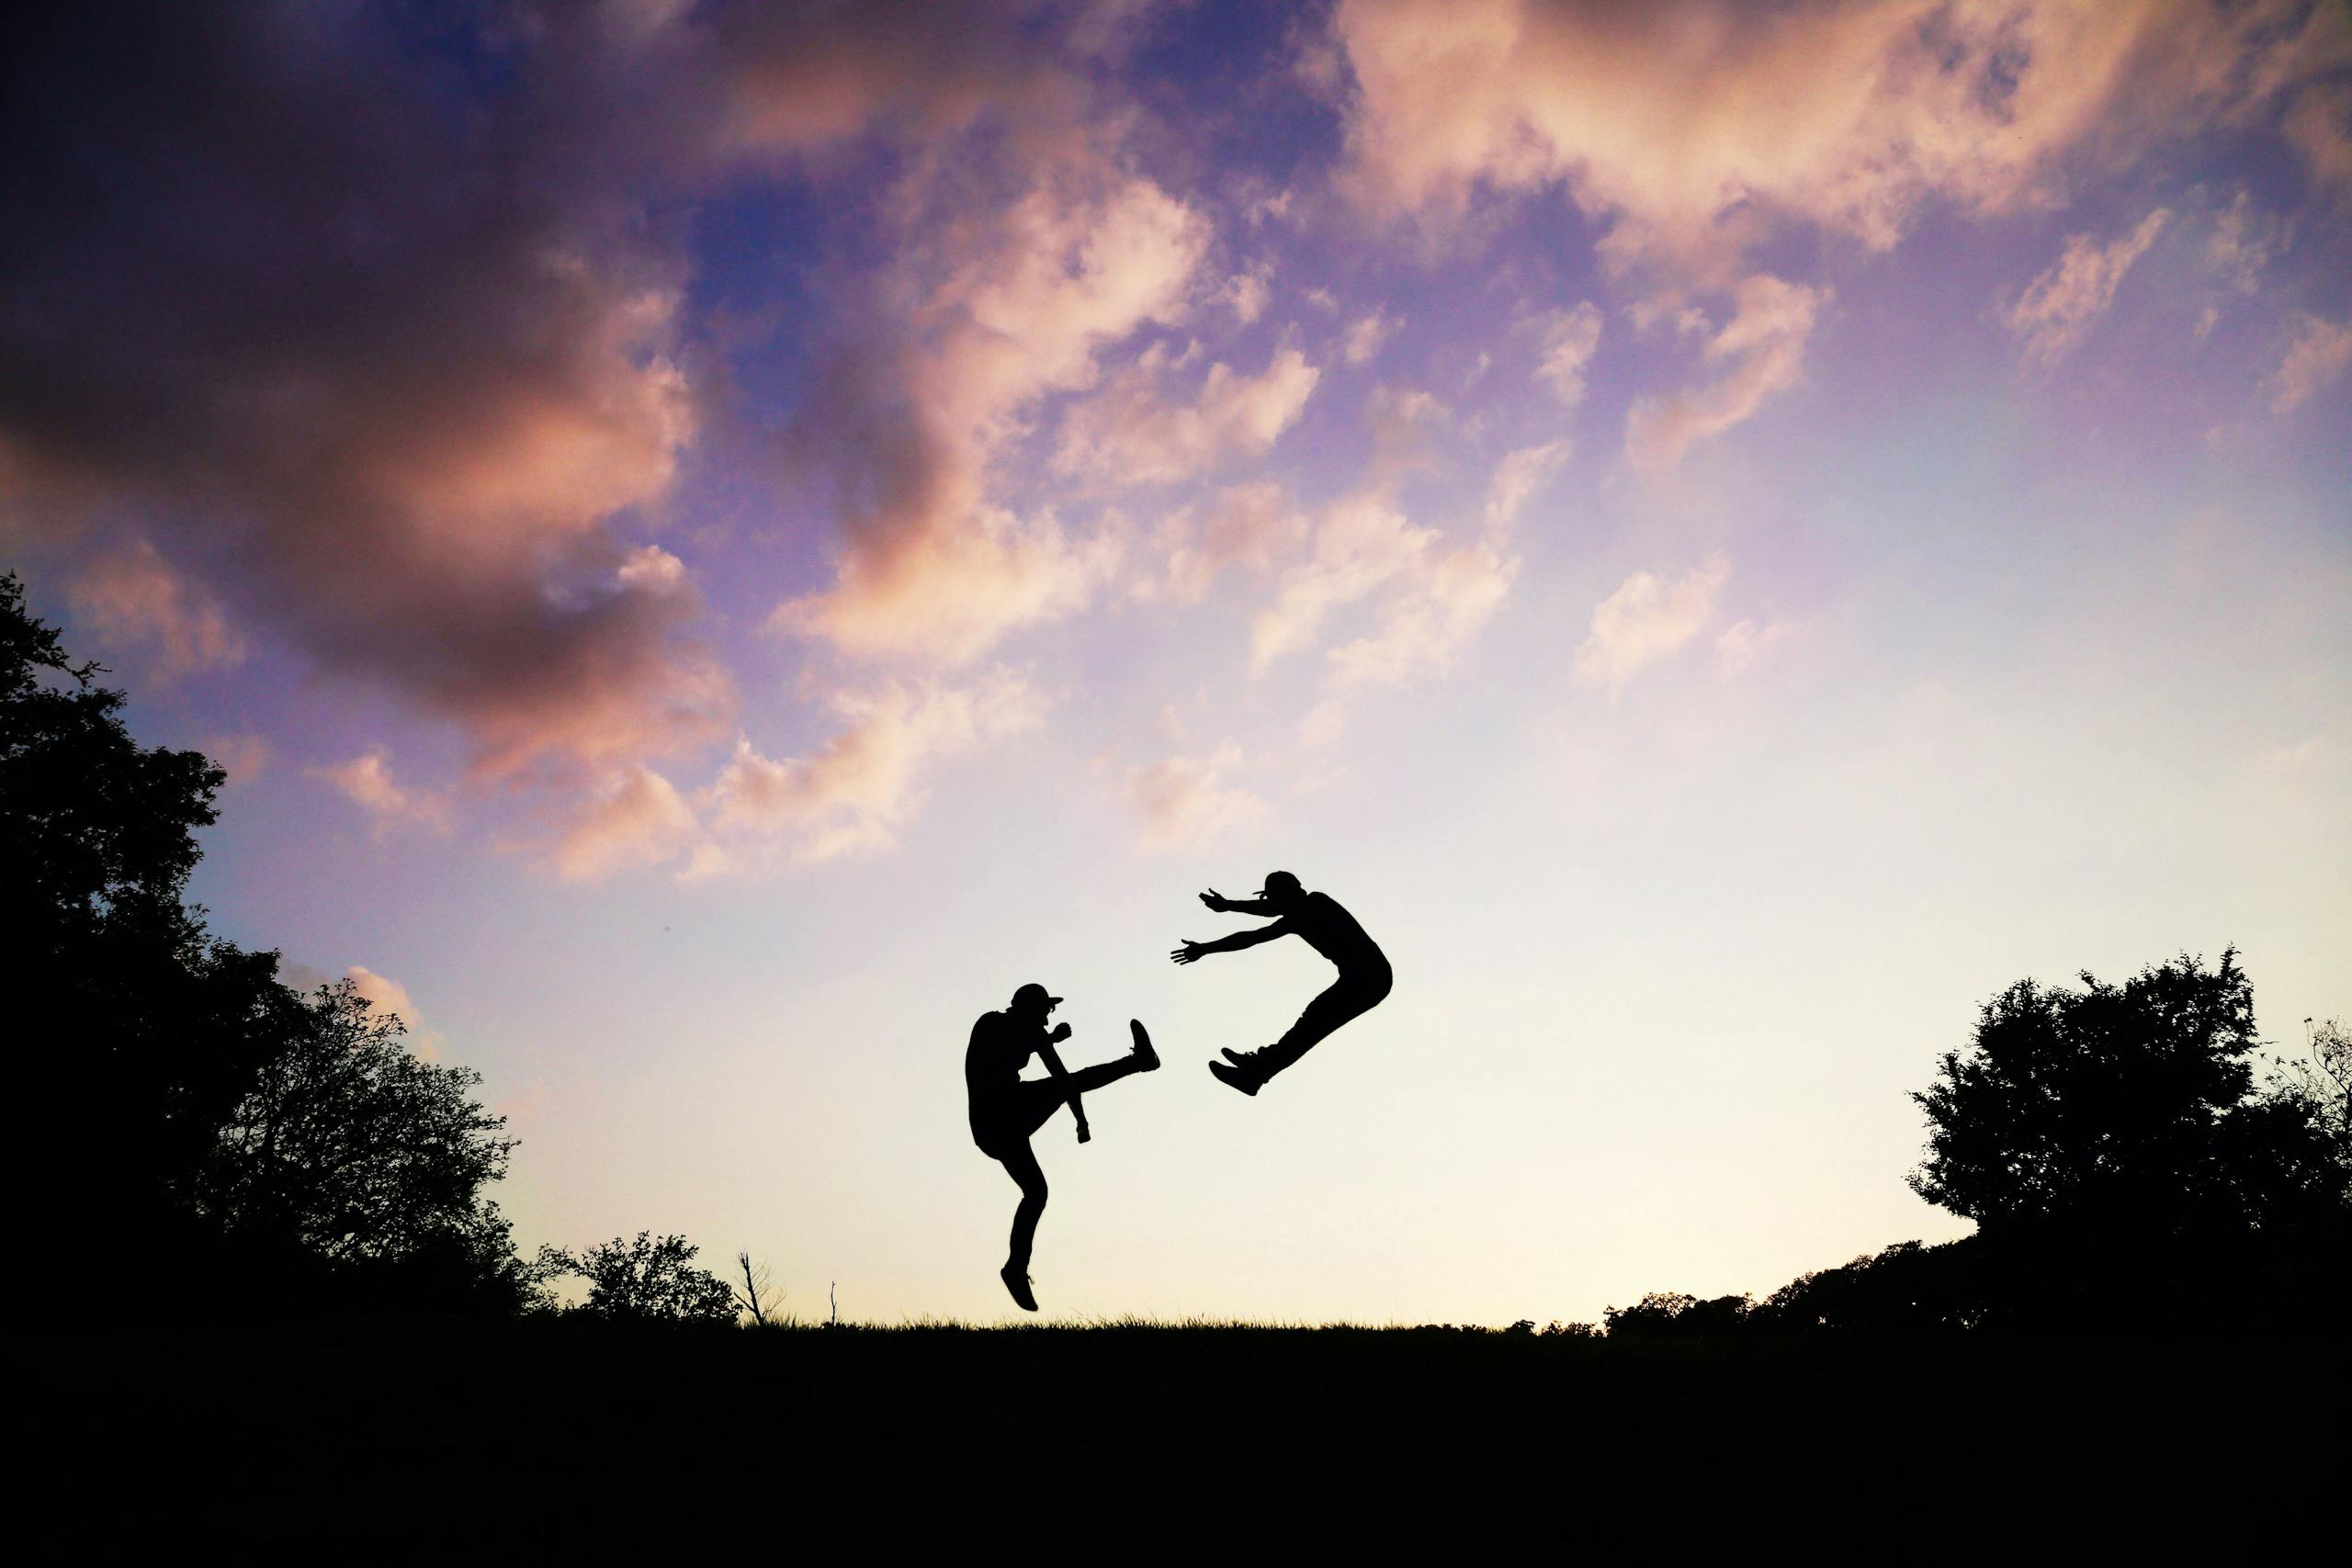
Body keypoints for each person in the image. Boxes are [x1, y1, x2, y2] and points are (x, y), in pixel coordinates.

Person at [966, 983, 1159, 1312]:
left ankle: (1016, 1268)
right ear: (1031, 1009)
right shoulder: (1023, 1029)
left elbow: (1005, 1049)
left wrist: (1049, 1039)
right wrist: (1081, 1121)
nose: (1047, 1017)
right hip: (1006, 1111)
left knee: (1036, 1192)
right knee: (1071, 1082)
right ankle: (1140, 1061)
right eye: (1046, 1011)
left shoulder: (992, 1023)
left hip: (988, 1128)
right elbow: (1062, 1078)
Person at [1171, 871, 1392, 1096]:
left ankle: (1257, 1071)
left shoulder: (1316, 902)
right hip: (1365, 978)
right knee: (1313, 1020)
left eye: (1275, 898)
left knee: (1313, 1021)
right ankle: (1256, 1071)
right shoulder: (1295, 918)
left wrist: (1229, 905)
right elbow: (1250, 938)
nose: (1273, 904)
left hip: (1371, 976)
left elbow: (1269, 912)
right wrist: (1205, 948)